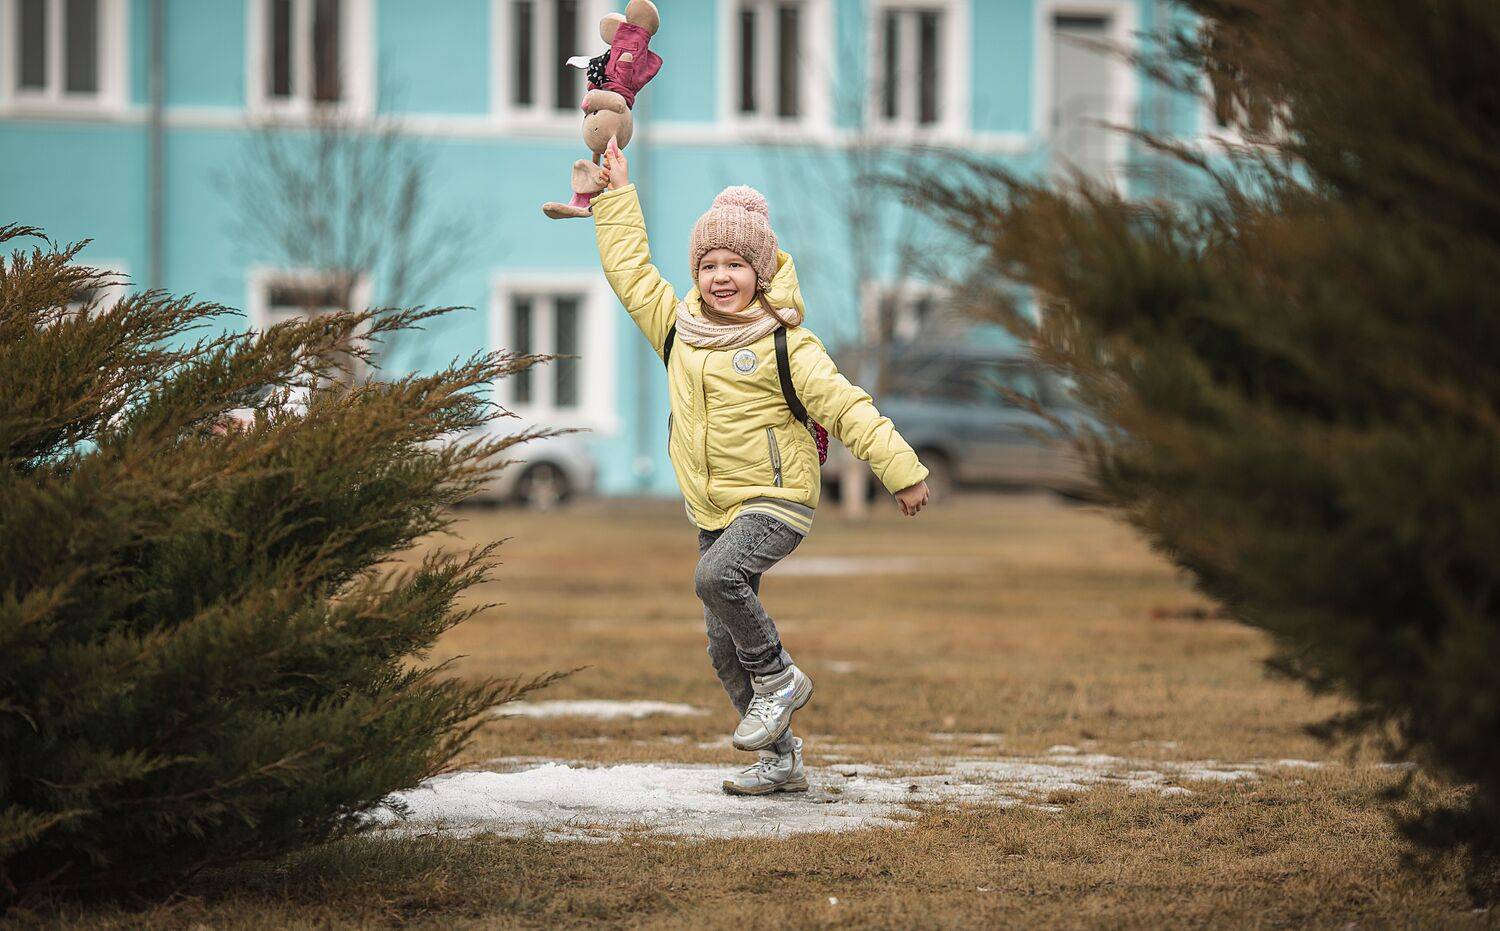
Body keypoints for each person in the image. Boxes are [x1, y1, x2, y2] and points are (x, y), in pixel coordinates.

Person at [593, 137, 931, 796]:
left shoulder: (786, 343)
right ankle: (780, 760)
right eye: (708, 264)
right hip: (713, 507)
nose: (720, 277)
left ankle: (779, 677)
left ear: (763, 269)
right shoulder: (679, 330)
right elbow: (631, 271)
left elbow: (847, 405)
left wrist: (902, 469)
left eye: (735, 264)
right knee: (722, 647)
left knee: (716, 576)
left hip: (777, 501)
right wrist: (616, 196)